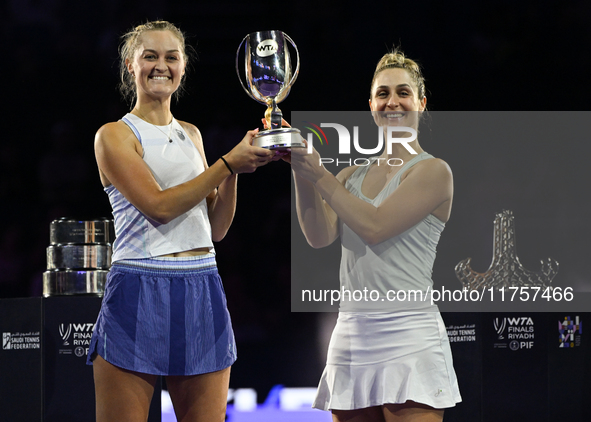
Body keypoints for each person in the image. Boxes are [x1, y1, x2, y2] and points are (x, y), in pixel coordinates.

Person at [86, 21, 276, 422]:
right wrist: (227, 163)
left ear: (183, 67)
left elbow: (217, 228)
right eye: (150, 56)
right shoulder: (115, 136)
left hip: (202, 283)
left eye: (171, 57)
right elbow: (159, 206)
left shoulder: (191, 134)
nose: (161, 65)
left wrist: (236, 171)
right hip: (138, 286)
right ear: (129, 65)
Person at [287, 50, 462, 421]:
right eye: (383, 93)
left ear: (421, 103)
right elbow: (319, 236)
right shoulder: (349, 175)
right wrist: (300, 169)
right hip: (351, 337)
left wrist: (320, 176)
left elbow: (375, 226)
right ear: (371, 105)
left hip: (410, 334)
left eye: (403, 92)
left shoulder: (434, 172)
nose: (392, 101)